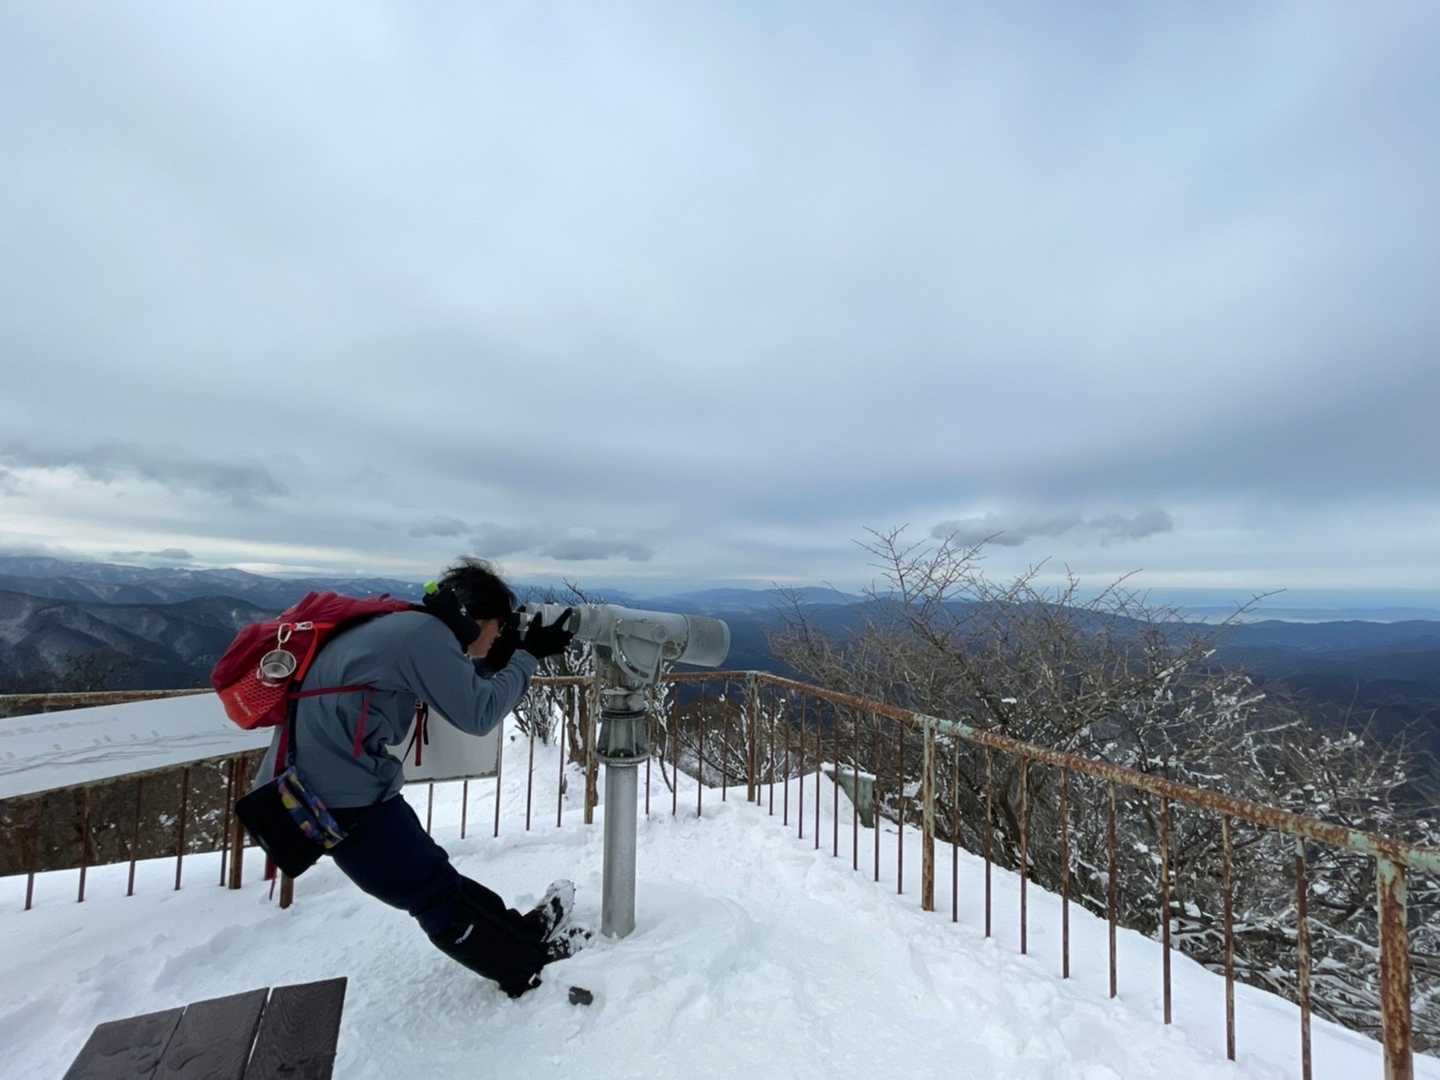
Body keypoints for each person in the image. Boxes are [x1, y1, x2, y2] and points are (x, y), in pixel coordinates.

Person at [253, 557, 578, 997]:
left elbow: (451, 682)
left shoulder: (410, 627)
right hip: (336, 799)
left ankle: (520, 934)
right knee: (430, 896)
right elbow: (478, 713)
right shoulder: (424, 638)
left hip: (345, 784)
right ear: (476, 619)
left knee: (433, 876)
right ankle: (524, 969)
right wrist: (526, 657)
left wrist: (500, 659)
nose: (499, 635)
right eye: (499, 627)